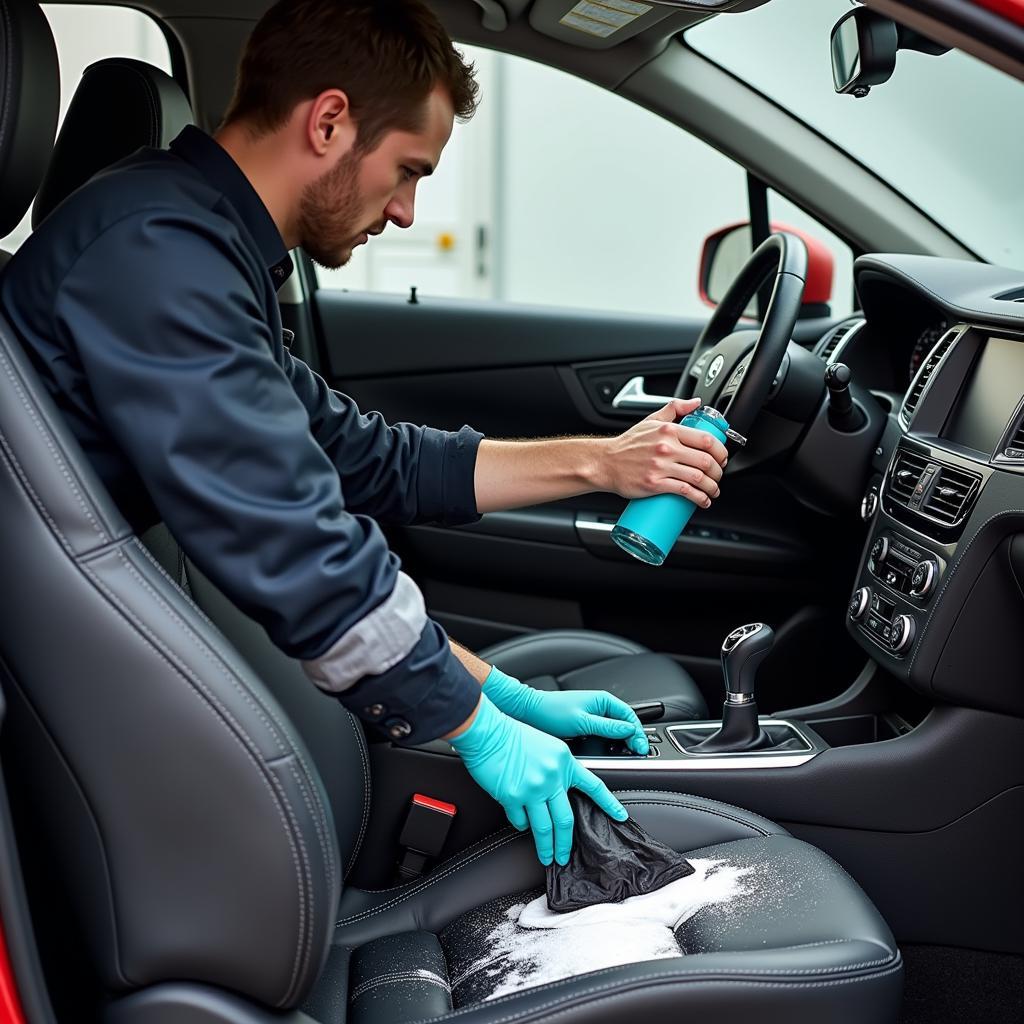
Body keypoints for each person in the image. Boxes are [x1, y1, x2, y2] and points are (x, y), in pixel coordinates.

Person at [0, 0, 727, 867]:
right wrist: (474, 724)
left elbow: (367, 459)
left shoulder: (194, 242)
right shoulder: (158, 254)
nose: (410, 211)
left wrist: (604, 465)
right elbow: (295, 543)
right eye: (408, 170)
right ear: (330, 120)